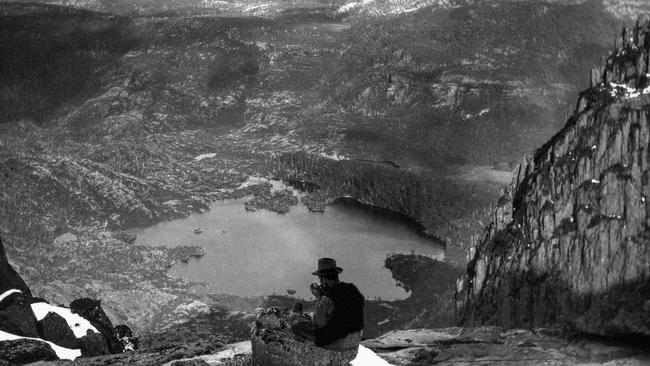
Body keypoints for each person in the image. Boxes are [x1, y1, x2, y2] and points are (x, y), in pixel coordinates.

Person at [293, 257, 365, 352]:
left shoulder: (327, 297)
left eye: (320, 279)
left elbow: (319, 323)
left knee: (297, 325)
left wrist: (318, 297)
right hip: (355, 339)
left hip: (338, 342)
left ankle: (297, 317)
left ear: (323, 279)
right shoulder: (352, 289)